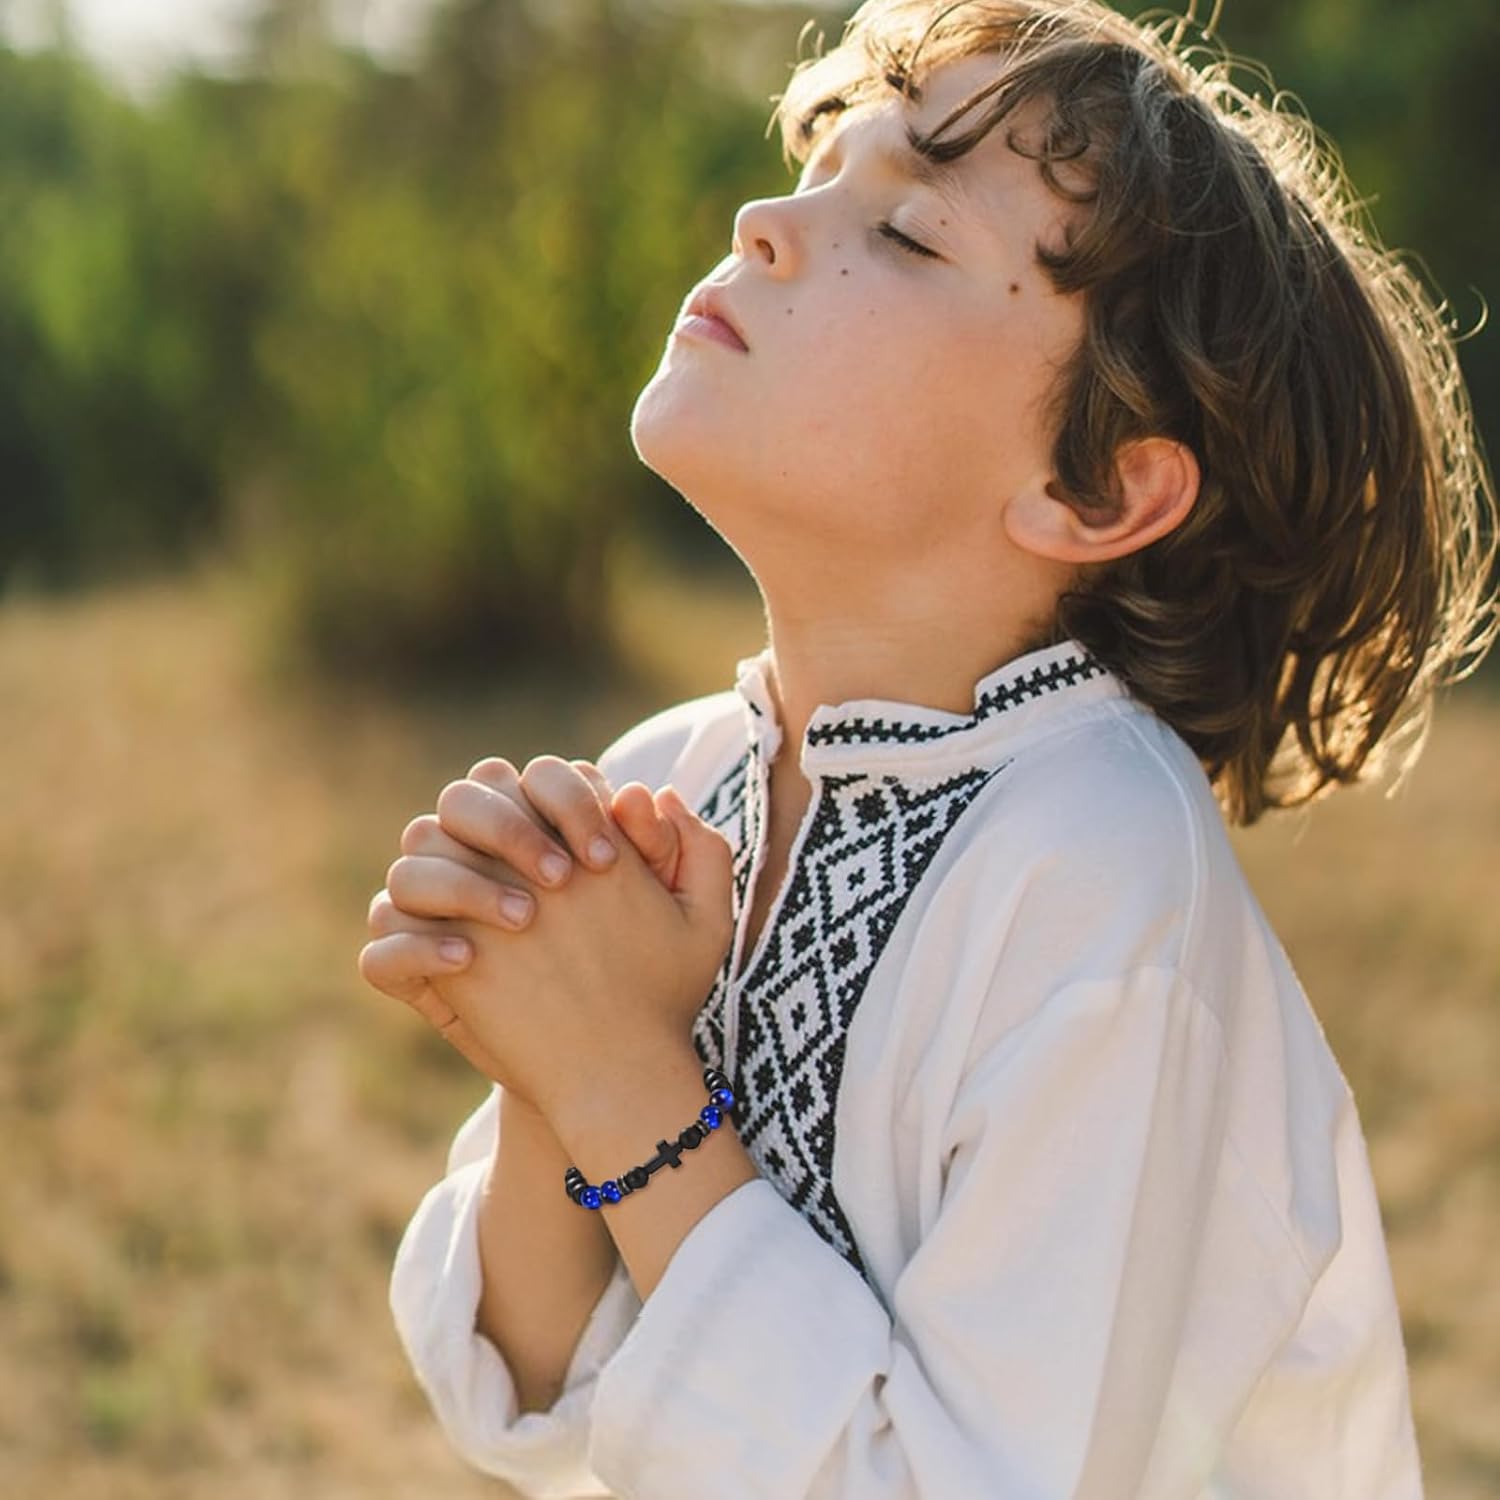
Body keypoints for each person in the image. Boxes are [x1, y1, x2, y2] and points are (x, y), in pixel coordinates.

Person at [358, 2, 1498, 1496]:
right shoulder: (681, 773)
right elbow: (528, 1399)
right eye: (822, 162)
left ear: (1094, 493)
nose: (767, 219)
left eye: (904, 234)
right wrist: (546, 1038)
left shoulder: (1100, 883)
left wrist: (623, 1072)